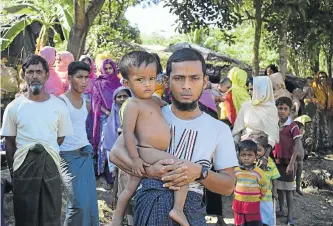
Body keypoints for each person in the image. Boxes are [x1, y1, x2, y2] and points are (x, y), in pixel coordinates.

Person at [109, 48, 238, 225]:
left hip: (190, 211)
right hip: (150, 203)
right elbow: (115, 154)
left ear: (205, 81)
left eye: (194, 78)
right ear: (166, 81)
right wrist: (149, 171)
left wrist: (200, 173)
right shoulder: (151, 113)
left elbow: (229, 186)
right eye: (178, 78)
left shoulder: (219, 129)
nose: (186, 85)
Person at [111, 51, 189, 226]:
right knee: (182, 169)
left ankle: (116, 219)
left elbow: (168, 107)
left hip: (154, 151)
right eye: (140, 80)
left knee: (130, 188)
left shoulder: (154, 100)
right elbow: (128, 133)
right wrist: (136, 159)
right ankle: (177, 209)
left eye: (152, 78)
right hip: (146, 151)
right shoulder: (132, 104)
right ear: (126, 82)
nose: (147, 84)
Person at [0, 55, 73, 225]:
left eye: (39, 72)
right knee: (25, 213)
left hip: (50, 165)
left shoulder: (59, 106)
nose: (34, 76)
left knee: (51, 212)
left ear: (47, 75)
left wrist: (45, 153)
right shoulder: (14, 107)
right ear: (23, 75)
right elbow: (9, 142)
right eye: (30, 72)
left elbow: (60, 138)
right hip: (23, 168)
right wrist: (15, 171)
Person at [59, 61, 99, 226]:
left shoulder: (86, 104)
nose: (83, 81)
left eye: (86, 77)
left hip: (85, 155)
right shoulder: (60, 103)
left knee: (89, 204)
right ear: (69, 78)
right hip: (67, 156)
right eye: (79, 77)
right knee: (78, 204)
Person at [233, 76, 279, 170]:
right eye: (249, 89)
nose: (250, 92)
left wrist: (265, 156)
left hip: (262, 153)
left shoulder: (271, 109)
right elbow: (237, 130)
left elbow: (272, 135)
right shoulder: (246, 106)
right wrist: (236, 152)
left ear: (262, 90)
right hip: (244, 151)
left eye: (253, 89)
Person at [273, 97, 302, 226]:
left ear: (290, 111)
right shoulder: (274, 124)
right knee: (278, 187)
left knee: (289, 189)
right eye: (280, 108)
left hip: (288, 162)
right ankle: (281, 209)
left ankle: (289, 215)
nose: (282, 111)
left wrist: (292, 163)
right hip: (277, 161)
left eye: (285, 109)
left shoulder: (293, 126)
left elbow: (296, 145)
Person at [91, 58, 121, 181]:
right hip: (105, 116)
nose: (108, 71)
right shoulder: (98, 83)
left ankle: (113, 173)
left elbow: (123, 98)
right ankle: (102, 171)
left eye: (110, 68)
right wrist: (107, 112)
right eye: (106, 68)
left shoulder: (118, 82)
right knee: (104, 144)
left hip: (118, 116)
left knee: (116, 143)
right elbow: (96, 102)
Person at [233, 140, 268, 226]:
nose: (246, 158)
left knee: (254, 223)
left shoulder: (258, 172)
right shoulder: (236, 171)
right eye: (243, 155)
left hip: (253, 205)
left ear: (255, 156)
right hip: (239, 204)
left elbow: (264, 185)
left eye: (249, 155)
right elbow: (233, 184)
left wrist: (261, 195)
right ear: (239, 156)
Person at [253, 136, 280, 226]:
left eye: (259, 150)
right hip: (252, 196)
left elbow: (275, 177)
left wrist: (275, 191)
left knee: (267, 218)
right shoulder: (251, 161)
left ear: (265, 150)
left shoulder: (270, 162)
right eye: (255, 150)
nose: (257, 152)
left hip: (266, 197)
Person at [310, 71, 333, 152]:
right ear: (318, 78)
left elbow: (331, 98)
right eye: (321, 77)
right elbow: (311, 96)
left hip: (328, 110)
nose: (323, 78)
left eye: (324, 77)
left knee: (327, 128)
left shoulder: (328, 87)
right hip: (319, 109)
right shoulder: (315, 85)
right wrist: (317, 103)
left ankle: (328, 145)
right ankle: (319, 147)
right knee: (320, 128)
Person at [294, 115, 312, 195]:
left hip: (301, 161)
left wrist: (304, 152)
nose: (302, 131)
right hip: (296, 161)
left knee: (298, 176)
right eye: (301, 130)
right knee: (293, 176)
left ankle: (297, 188)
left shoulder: (300, 138)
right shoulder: (294, 139)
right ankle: (293, 189)